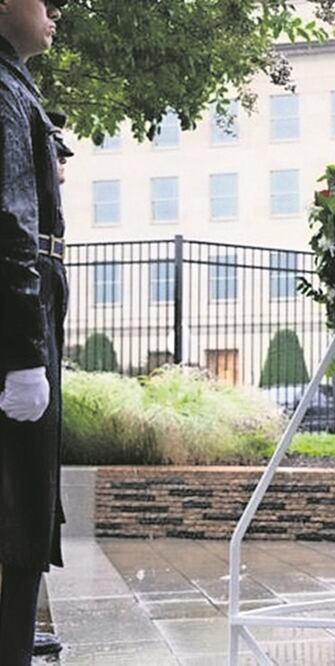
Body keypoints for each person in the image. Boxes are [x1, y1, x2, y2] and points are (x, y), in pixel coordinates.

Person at [0, 1, 69, 664]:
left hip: (29, 299)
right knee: (20, 496)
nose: (55, 13)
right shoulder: (3, 89)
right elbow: (11, 223)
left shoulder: (14, 85)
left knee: (22, 492)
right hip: (20, 311)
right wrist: (25, 354)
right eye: (45, 1)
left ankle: (13, 637)